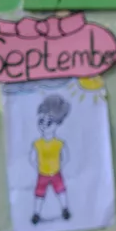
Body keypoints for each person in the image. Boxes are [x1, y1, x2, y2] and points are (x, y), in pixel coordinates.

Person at [31, 95, 72, 224]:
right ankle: (36, 213)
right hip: (42, 173)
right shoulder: (37, 143)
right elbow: (32, 158)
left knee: (61, 190)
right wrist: (37, 167)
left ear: (57, 124)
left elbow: (65, 157)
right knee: (39, 193)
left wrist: (60, 166)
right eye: (41, 121)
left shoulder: (59, 143)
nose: (44, 125)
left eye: (49, 122)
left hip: (56, 172)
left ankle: (65, 209)